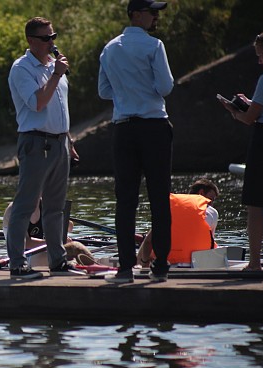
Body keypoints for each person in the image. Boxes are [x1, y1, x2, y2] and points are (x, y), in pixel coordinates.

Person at [98, 0, 174, 283]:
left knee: (125, 200)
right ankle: (161, 266)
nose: (156, 17)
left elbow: (104, 91)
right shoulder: (154, 46)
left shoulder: (109, 48)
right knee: (159, 198)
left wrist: (126, 91)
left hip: (124, 129)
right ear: (136, 15)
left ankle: (125, 269)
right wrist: (146, 89)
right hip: (154, 126)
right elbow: (165, 87)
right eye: (152, 12)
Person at [7, 16, 78, 279]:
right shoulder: (22, 68)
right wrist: (57, 74)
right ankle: (17, 264)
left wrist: (68, 139)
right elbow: (38, 103)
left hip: (59, 143)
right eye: (46, 38)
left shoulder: (53, 66)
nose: (52, 43)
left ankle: (57, 261)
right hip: (36, 143)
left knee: (55, 207)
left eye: (54, 37)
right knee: (25, 206)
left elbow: (60, 108)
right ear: (31, 40)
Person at [219, 31, 263, 271]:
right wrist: (253, 103)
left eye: (260, 55)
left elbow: (251, 118)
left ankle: (254, 263)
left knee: (255, 203)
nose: (259, 61)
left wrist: (233, 110)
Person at [137, 178, 220, 267]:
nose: (211, 204)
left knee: (147, 240)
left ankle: (138, 264)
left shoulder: (170, 207)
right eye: (211, 199)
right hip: (196, 264)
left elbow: (148, 242)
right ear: (201, 193)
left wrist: (144, 263)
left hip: (167, 263)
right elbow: (209, 246)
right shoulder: (212, 212)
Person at [2, 199, 96, 266]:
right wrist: (55, 243)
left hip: (45, 251)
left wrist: (58, 211)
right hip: (23, 258)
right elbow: (25, 243)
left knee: (76, 246)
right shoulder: (14, 209)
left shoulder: (45, 205)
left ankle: (94, 266)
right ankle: (75, 265)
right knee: (64, 256)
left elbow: (70, 227)